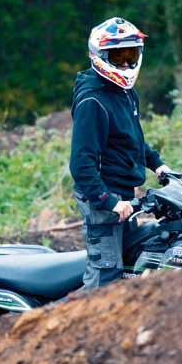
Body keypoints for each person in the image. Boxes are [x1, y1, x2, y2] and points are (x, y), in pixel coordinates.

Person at [69, 17, 170, 291]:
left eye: (131, 55)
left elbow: (131, 140)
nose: (126, 64)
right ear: (100, 56)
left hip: (123, 194)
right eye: (118, 57)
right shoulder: (93, 101)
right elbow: (81, 165)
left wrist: (157, 165)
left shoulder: (125, 92)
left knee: (136, 256)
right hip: (102, 197)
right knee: (106, 276)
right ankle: (85, 324)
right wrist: (108, 201)